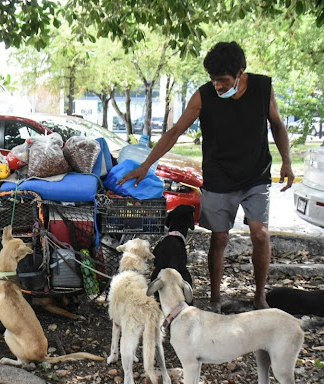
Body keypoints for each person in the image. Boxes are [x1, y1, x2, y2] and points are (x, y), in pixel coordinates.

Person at [119, 41, 294, 312]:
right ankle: (214, 299)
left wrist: (287, 161)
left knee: (260, 234)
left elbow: (278, 124)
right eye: (214, 80)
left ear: (241, 73)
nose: (218, 86)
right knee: (219, 237)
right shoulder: (203, 96)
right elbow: (175, 132)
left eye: (223, 80)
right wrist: (146, 165)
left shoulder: (262, 88)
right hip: (219, 175)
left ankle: (260, 297)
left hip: (255, 173)